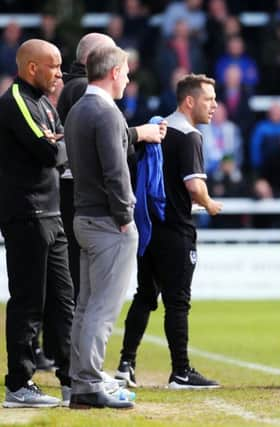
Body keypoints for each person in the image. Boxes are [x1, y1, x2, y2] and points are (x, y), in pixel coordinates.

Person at [115, 74, 223, 389]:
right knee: (177, 301)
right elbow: (194, 186)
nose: (214, 105)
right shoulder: (190, 136)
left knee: (145, 295)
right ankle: (180, 371)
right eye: (209, 99)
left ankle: (126, 363)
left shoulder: (156, 130)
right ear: (190, 101)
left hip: (148, 229)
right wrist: (211, 204)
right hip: (176, 230)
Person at [57, 32, 165, 303]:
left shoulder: (77, 89)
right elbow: (109, 153)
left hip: (79, 198)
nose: (125, 77)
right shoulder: (88, 93)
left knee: (84, 297)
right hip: (91, 203)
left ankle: (72, 344)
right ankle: (76, 345)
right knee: (95, 301)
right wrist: (140, 133)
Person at [0, 39, 73, 408]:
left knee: (63, 300)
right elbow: (50, 150)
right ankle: (19, 382)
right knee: (29, 301)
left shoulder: (44, 103)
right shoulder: (15, 100)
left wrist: (57, 143)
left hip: (52, 213)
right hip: (27, 214)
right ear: (32, 68)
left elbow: (59, 150)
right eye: (55, 66)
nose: (60, 74)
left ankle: (71, 377)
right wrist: (58, 143)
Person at [64, 45, 138, 409]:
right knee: (101, 310)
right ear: (112, 72)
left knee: (86, 306)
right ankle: (90, 382)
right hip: (109, 222)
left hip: (84, 215)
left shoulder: (78, 108)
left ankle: (81, 379)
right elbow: (116, 172)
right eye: (125, 71)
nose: (127, 78)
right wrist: (125, 217)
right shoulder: (105, 112)